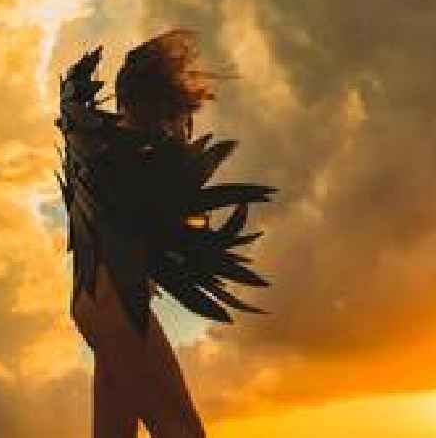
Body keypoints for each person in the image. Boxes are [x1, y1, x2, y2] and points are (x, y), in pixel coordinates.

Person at [55, 30, 276, 437]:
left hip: (93, 302)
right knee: (181, 429)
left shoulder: (91, 147)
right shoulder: (137, 160)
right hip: (116, 305)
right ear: (160, 108)